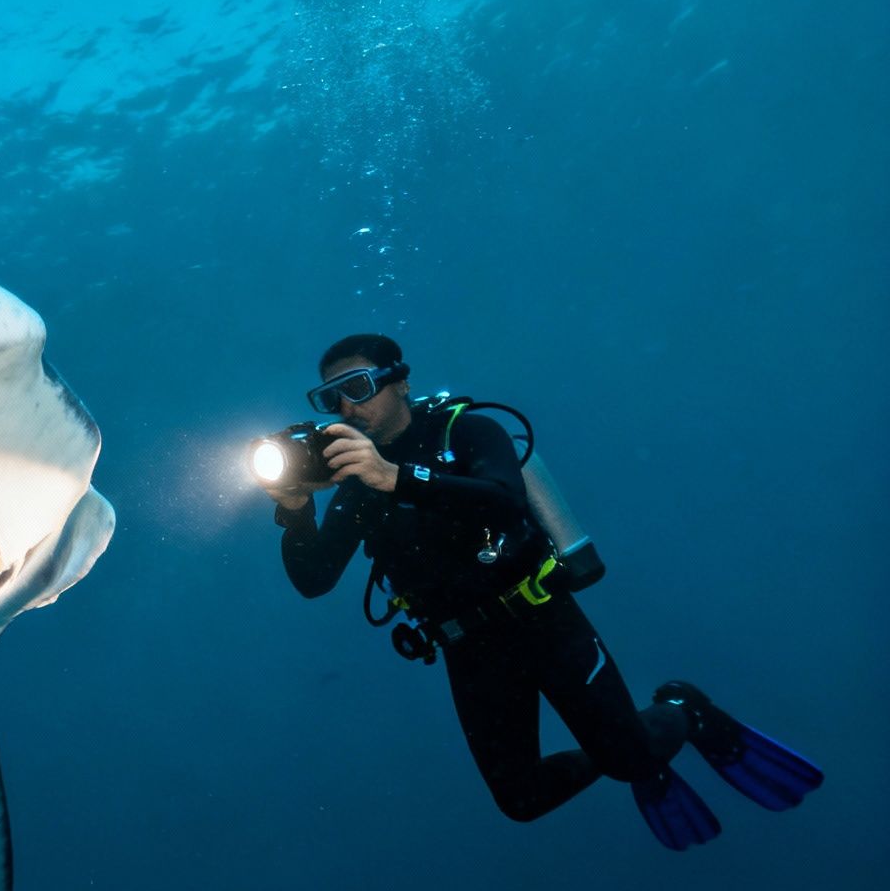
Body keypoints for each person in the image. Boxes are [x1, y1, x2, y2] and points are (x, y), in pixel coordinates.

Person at [262, 334, 821, 848]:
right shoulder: (356, 487)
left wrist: (397, 477)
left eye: (357, 388)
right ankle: (622, 745)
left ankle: (683, 708)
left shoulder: (469, 431)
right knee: (521, 800)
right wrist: (295, 510)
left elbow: (503, 497)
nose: (346, 410)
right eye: (329, 399)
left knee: (631, 760)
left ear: (400, 382)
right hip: (468, 648)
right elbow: (313, 581)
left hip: (542, 621)